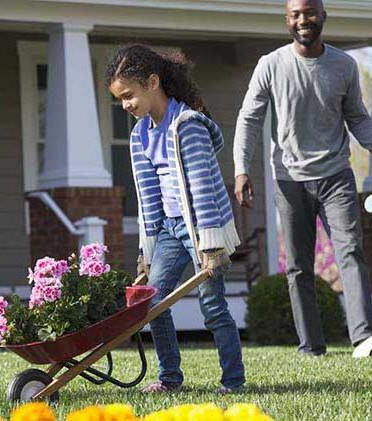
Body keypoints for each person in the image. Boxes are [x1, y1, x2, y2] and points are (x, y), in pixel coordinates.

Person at [233, 0, 372, 358]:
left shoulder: (343, 66)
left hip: (336, 176)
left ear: (323, 16)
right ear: (287, 20)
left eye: (309, 13)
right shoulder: (271, 65)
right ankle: (310, 347)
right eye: (295, 14)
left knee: (351, 251)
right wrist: (241, 168)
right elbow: (249, 119)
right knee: (298, 266)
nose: (303, 20)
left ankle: (364, 338)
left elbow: (358, 117)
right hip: (288, 179)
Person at [106, 44, 245, 394]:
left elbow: (204, 189)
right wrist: (147, 249)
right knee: (152, 304)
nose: (125, 105)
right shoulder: (140, 135)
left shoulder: (188, 127)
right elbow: (147, 197)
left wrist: (211, 245)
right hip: (168, 228)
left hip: (201, 229)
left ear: (152, 82)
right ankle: (170, 379)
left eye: (129, 95)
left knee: (213, 307)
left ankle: (233, 381)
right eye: (120, 99)